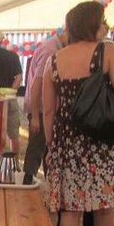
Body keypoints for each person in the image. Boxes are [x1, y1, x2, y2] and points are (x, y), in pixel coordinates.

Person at [42, 1, 114, 226]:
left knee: (70, 212)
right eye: (102, 20)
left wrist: (52, 145)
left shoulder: (53, 60)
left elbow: (48, 110)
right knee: (104, 209)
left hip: (67, 144)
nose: (105, 25)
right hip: (102, 142)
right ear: (92, 23)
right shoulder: (107, 51)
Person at [22, 29, 68, 184]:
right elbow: (37, 84)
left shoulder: (54, 47)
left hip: (44, 107)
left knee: (46, 148)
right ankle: (28, 183)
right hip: (41, 108)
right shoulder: (50, 50)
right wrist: (35, 116)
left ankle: (47, 183)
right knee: (37, 147)